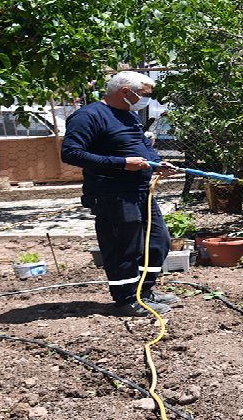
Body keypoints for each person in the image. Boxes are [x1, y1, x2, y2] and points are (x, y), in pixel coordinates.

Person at [62, 71, 179, 316]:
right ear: (126, 91)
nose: (147, 99)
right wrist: (121, 163)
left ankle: (144, 292)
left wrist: (158, 163)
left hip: (139, 191)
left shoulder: (129, 116)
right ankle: (126, 299)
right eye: (145, 94)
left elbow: (143, 146)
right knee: (124, 247)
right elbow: (71, 153)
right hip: (112, 193)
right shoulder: (88, 117)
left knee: (158, 242)